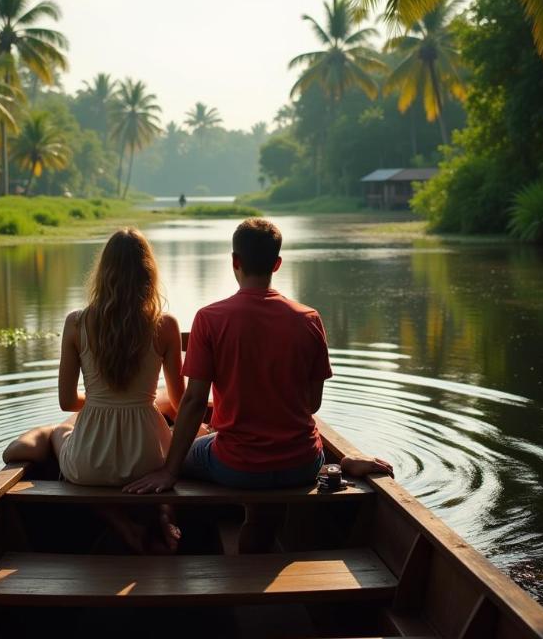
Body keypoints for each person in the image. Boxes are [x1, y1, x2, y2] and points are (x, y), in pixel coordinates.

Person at [124, 218, 393, 551]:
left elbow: (193, 403)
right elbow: (311, 405)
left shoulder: (210, 318)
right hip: (303, 464)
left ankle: (167, 529)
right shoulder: (308, 318)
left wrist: (169, 471)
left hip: (236, 466)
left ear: (235, 261)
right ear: (277, 264)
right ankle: (328, 472)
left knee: (173, 450)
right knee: (265, 488)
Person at [2, 227, 185, 552]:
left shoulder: (76, 323)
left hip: (89, 464)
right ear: (149, 273)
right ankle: (162, 514)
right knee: (173, 448)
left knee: (61, 432)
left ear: (104, 272)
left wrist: (99, 401)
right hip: (148, 459)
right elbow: (181, 403)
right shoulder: (165, 325)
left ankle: (122, 525)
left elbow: (67, 401)